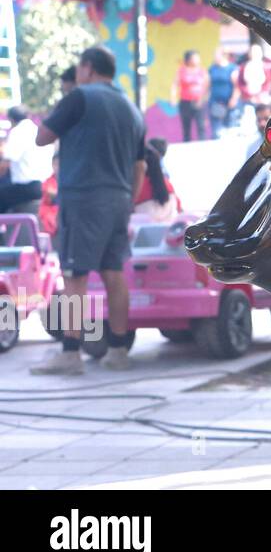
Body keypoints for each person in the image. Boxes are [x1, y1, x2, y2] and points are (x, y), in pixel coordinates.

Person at [30, 46, 145, 375]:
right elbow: (140, 165)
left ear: (88, 68)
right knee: (113, 273)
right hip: (120, 199)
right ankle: (119, 350)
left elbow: (42, 136)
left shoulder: (80, 97)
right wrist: (128, 200)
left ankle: (70, 353)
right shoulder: (131, 108)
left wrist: (65, 97)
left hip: (84, 197)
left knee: (74, 275)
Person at [0, 106, 54, 210]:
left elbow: (4, 166)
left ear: (11, 119)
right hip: (44, 185)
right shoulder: (37, 130)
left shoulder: (18, 132)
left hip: (28, 187)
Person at [135, 137, 181, 222]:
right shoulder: (168, 184)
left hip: (144, 233)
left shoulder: (137, 187)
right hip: (169, 231)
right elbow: (179, 208)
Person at [172, 49, 209, 142]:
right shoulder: (181, 71)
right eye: (195, 58)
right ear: (189, 59)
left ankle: (203, 146)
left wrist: (202, 99)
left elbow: (207, 87)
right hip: (185, 102)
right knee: (186, 127)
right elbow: (175, 84)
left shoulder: (202, 71)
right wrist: (173, 98)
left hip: (198, 102)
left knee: (201, 126)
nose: (198, 60)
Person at [207, 47, 238, 134]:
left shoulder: (231, 68)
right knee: (216, 131)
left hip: (228, 103)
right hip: (215, 102)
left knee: (229, 129)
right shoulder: (212, 68)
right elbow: (208, 85)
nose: (215, 57)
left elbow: (236, 86)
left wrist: (234, 99)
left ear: (223, 56)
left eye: (216, 55)